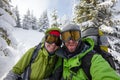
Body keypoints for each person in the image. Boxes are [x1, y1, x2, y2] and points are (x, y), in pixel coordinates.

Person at [53, 23, 120, 80]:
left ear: (80, 38)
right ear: (62, 40)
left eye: (75, 36)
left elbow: (105, 74)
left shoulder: (93, 58)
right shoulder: (60, 57)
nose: (71, 41)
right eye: (66, 37)